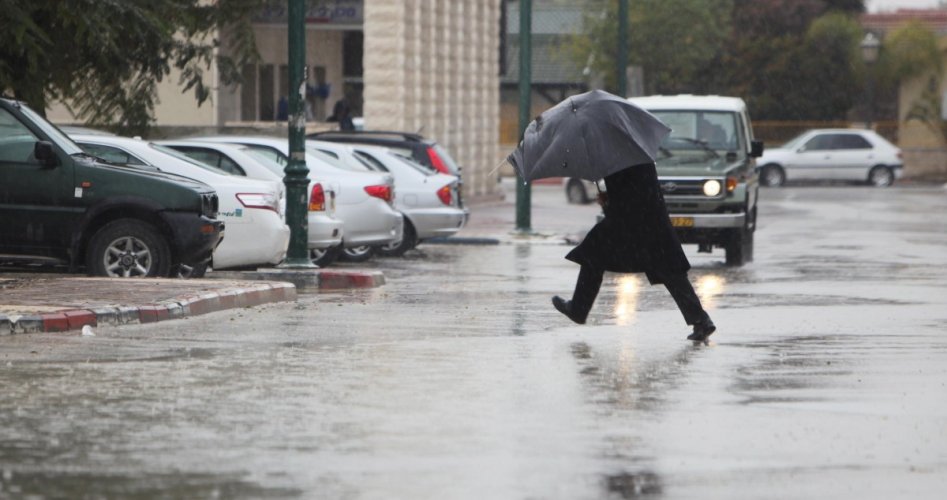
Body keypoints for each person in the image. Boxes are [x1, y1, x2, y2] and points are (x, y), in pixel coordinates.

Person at [552, 163, 717, 341]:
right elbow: (634, 190)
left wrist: (607, 201)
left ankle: (578, 309)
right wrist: (609, 198)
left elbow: (626, 196)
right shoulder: (633, 154)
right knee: (670, 271)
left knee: (593, 255)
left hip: (634, 223)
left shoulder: (619, 158)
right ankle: (701, 320)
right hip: (648, 221)